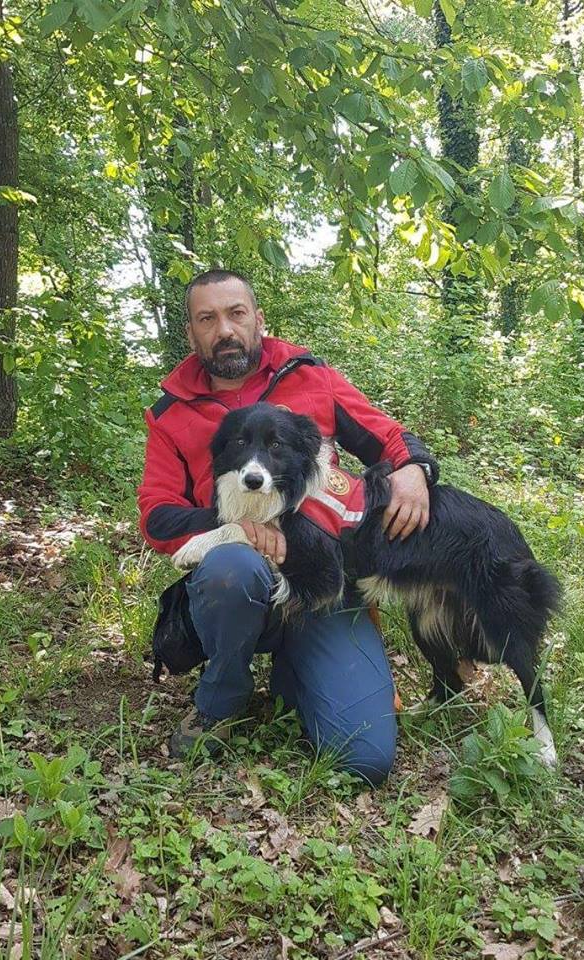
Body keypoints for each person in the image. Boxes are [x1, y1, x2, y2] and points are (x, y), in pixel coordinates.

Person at [138, 269, 439, 786]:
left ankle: (295, 671)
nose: (224, 330)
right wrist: (240, 524)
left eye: (236, 313)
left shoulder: (309, 376)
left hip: (321, 584)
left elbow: (385, 435)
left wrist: (414, 468)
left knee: (364, 757)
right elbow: (157, 515)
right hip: (236, 586)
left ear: (258, 319)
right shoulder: (171, 413)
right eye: (207, 319)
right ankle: (222, 700)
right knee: (232, 566)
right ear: (190, 333)